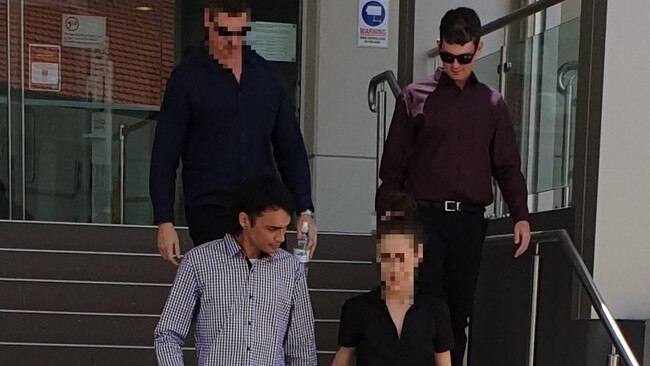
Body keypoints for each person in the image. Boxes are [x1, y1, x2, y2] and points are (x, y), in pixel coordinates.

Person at [375, 7, 531, 366]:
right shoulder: (414, 97)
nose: (455, 65)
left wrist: (520, 215)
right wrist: (390, 224)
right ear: (438, 47)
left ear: (478, 49)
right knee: (425, 307)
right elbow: (393, 170)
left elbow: (507, 166)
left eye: (463, 57)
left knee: (458, 313)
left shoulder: (491, 104)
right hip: (423, 218)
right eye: (447, 56)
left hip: (469, 221)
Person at [149, 0, 317, 265]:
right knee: (223, 292)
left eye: (240, 33)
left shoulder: (265, 76)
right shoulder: (187, 78)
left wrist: (305, 210)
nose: (233, 42)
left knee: (270, 291)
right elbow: (165, 154)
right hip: (211, 205)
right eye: (225, 32)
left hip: (263, 206)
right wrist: (164, 220)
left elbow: (290, 148)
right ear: (208, 21)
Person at [154, 175, 317, 366]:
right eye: (272, 228)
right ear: (244, 220)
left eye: (284, 228)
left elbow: (302, 349)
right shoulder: (200, 262)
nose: (281, 237)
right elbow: (168, 335)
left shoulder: (290, 268)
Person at [332, 192, 454, 366]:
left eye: (401, 258)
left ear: (417, 254)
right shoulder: (357, 309)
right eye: (386, 258)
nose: (394, 269)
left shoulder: (436, 311)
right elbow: (341, 360)